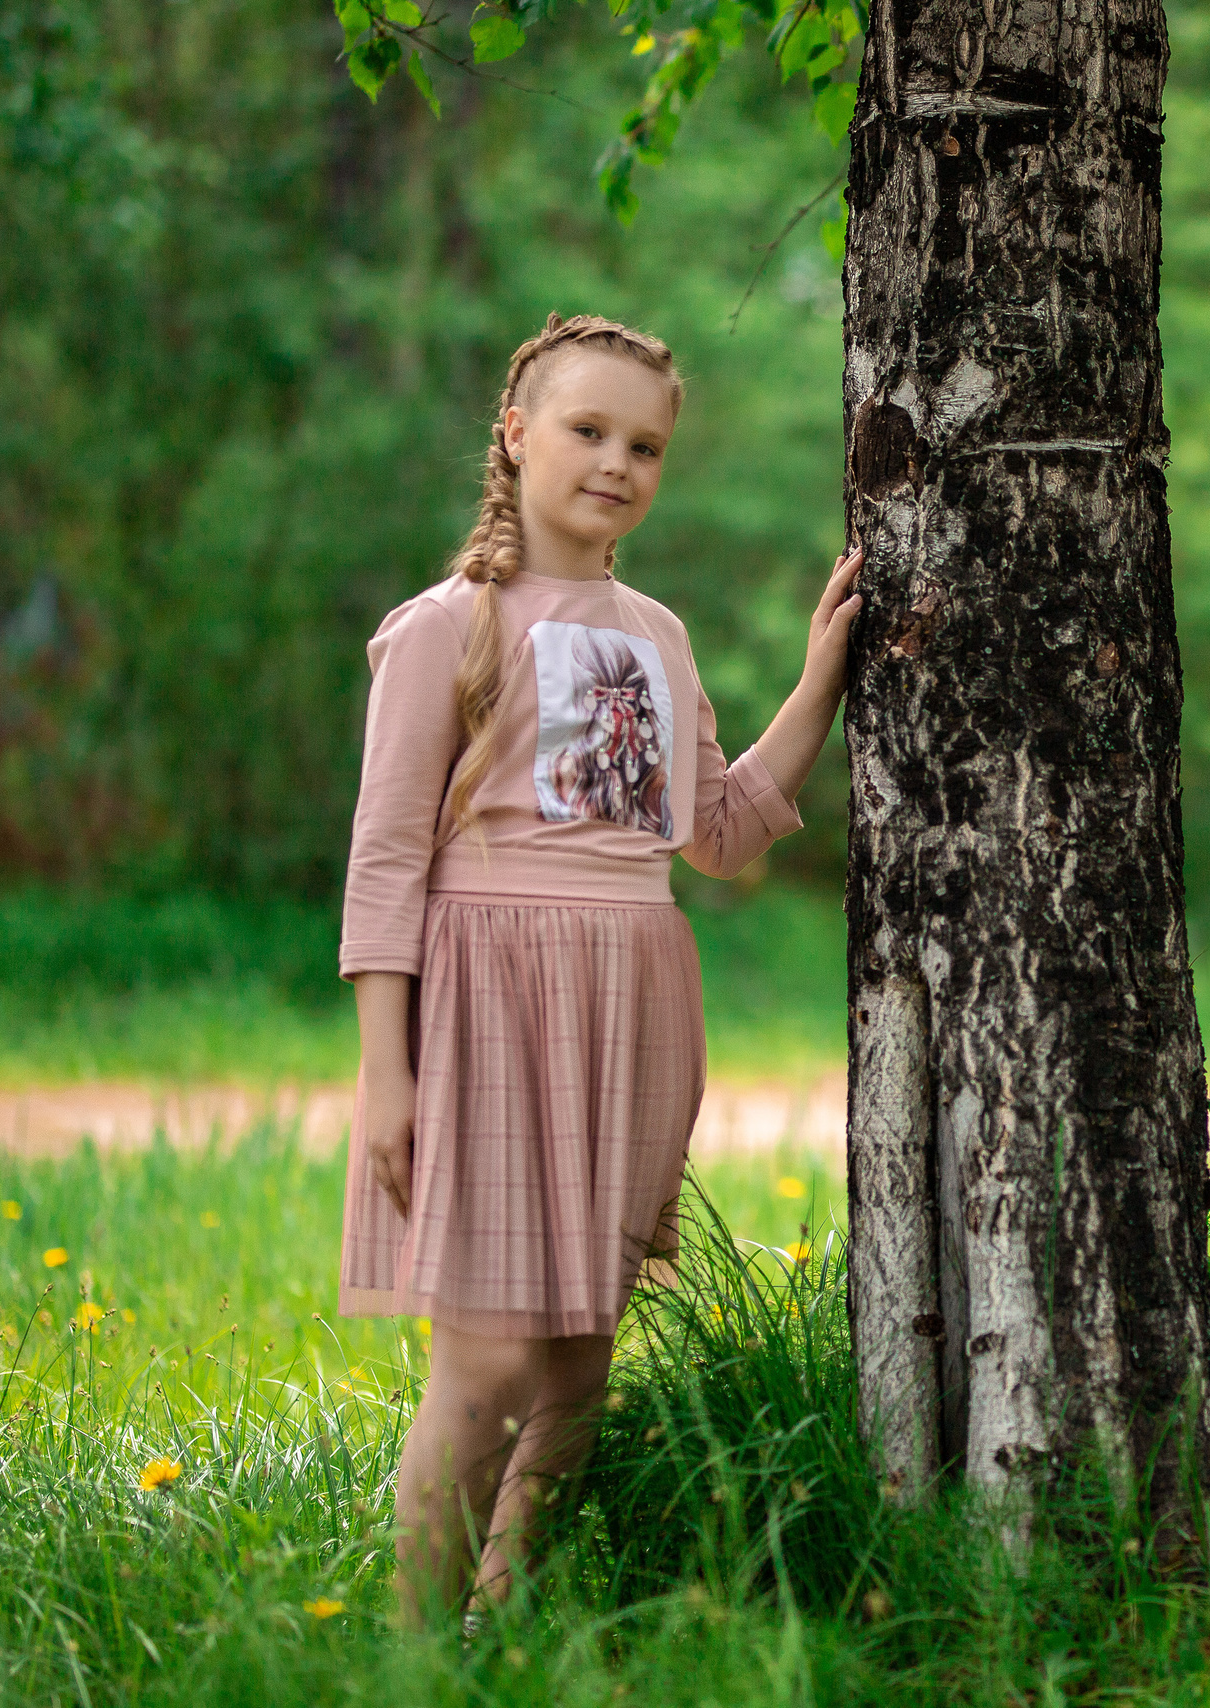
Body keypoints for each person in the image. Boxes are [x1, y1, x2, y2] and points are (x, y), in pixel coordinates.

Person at [335, 312, 862, 1624]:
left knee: (576, 1357)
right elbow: (388, 858)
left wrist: (818, 683)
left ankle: (506, 1630)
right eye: (587, 431)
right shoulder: (448, 627)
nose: (617, 462)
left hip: (629, 1000)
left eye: (646, 445)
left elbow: (721, 837)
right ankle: (413, 1649)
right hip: (488, 1001)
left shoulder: (658, 638)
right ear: (514, 438)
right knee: (493, 1352)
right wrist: (384, 1070)